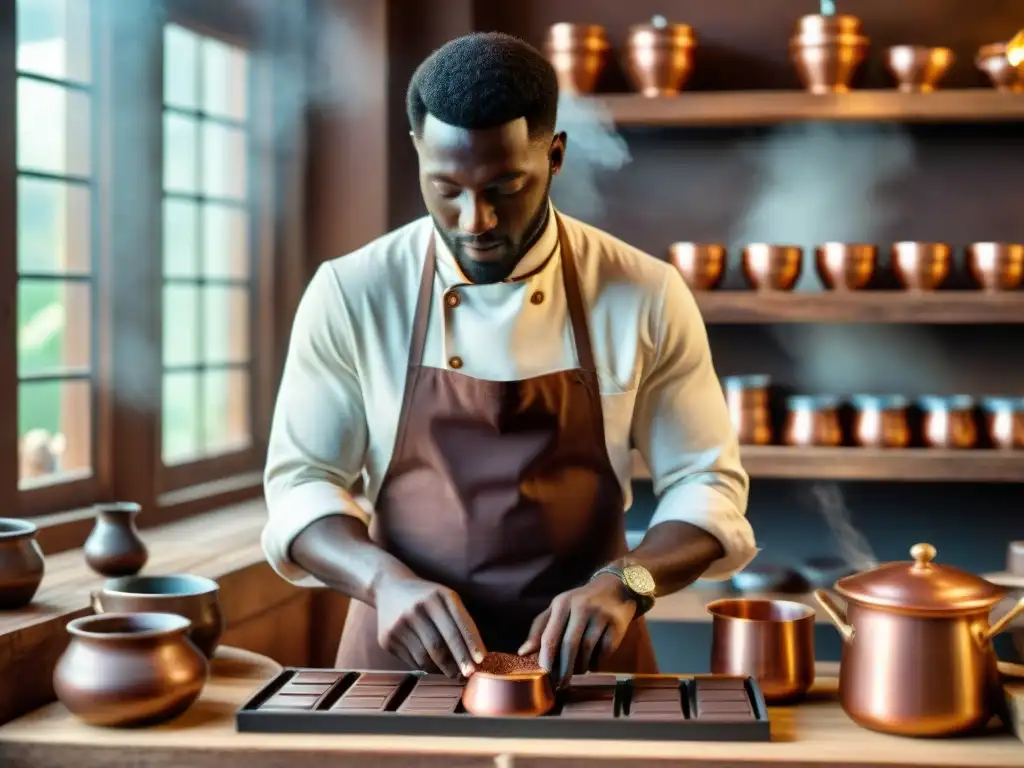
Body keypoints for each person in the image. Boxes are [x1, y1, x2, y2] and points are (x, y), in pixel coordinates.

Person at [262, 32, 755, 687]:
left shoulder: (643, 293)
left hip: (588, 668)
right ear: (417, 153)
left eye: (505, 186)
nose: (475, 220)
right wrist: (382, 580)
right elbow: (301, 486)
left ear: (554, 156)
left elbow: (709, 486)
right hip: (400, 664)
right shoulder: (354, 291)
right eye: (447, 188)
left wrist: (628, 581)